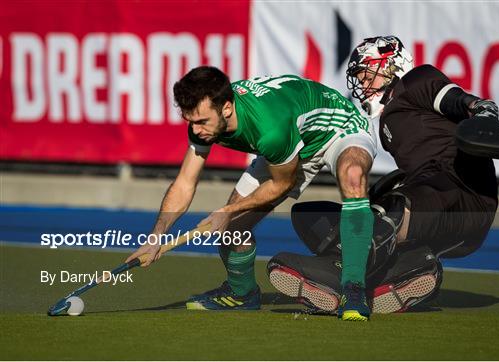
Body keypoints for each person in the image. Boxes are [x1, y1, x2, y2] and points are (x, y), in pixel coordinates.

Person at [267, 35, 499, 314]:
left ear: (392, 64)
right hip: (433, 201)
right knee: (311, 217)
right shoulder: (389, 121)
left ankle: (340, 273)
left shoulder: (416, 81)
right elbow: (425, 162)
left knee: (388, 210)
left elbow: (457, 101)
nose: (362, 83)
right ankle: (408, 271)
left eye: (367, 73)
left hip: (461, 197)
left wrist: (480, 109)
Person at [126, 67, 379, 321]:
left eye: (202, 122)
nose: (197, 130)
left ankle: (353, 288)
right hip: (291, 141)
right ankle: (242, 294)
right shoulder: (202, 122)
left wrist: (227, 210)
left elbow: (282, 184)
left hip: (338, 129)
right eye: (191, 121)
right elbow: (184, 183)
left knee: (353, 176)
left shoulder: (269, 129)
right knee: (231, 230)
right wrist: (156, 235)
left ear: (226, 108)